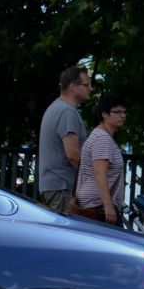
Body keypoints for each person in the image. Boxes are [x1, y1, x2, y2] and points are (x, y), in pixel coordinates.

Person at [37, 66, 92, 213]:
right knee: (68, 233)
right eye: (86, 85)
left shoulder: (56, 107)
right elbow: (73, 155)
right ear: (73, 87)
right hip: (63, 187)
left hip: (55, 186)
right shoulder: (67, 111)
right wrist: (93, 180)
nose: (90, 89)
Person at [73, 96, 129, 225]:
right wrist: (108, 206)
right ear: (105, 114)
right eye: (118, 112)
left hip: (95, 204)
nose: (123, 115)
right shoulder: (102, 139)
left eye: (124, 112)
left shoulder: (100, 135)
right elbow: (100, 174)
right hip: (97, 207)